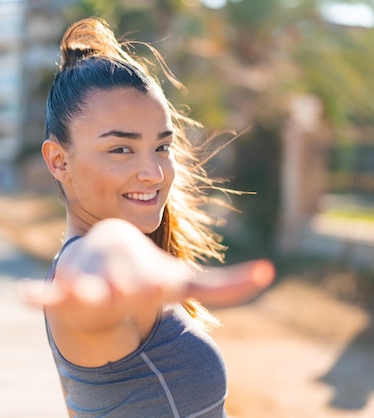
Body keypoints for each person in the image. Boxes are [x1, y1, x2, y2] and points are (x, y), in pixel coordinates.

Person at [19, 17, 275, 417]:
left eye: (161, 147)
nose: (154, 174)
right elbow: (106, 249)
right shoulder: (84, 267)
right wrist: (108, 264)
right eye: (121, 149)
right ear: (58, 161)